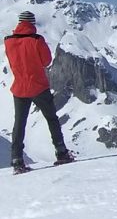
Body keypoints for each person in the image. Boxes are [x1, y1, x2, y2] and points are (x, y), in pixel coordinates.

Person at [4, 11, 74, 174]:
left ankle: (17, 160)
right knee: (51, 119)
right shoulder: (37, 40)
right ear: (32, 24)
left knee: (19, 123)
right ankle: (61, 152)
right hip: (38, 86)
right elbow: (46, 61)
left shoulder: (8, 41)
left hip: (19, 88)